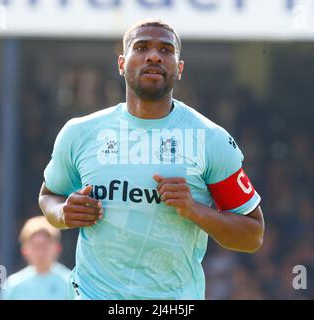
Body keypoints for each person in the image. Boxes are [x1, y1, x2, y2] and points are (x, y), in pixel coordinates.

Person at [39, 18, 265, 300]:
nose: (154, 55)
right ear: (122, 64)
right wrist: (63, 213)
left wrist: (194, 210)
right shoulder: (80, 132)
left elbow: (252, 235)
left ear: (179, 69)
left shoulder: (210, 139)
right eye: (142, 47)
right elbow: (49, 195)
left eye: (166, 50)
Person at [0, 216, 71, 300]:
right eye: (36, 246)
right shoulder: (12, 284)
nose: (40, 253)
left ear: (57, 248)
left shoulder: (70, 282)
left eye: (45, 246)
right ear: (25, 250)